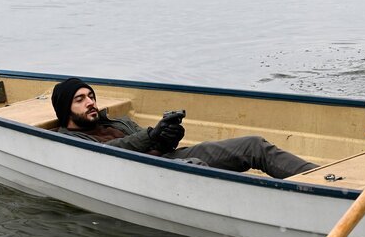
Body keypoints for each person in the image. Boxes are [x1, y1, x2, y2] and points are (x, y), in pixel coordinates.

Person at [51, 77, 318, 179]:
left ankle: (318, 180)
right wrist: (151, 135)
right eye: (80, 99)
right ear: (65, 110)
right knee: (197, 170)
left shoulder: (115, 121)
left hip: (169, 159)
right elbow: (111, 152)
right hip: (149, 175)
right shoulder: (70, 140)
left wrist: (168, 137)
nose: (90, 103)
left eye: (91, 96)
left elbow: (148, 142)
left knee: (253, 145)